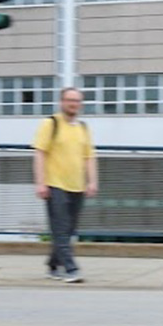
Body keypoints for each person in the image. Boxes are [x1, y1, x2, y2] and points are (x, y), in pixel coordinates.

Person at [32, 87, 98, 283]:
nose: (73, 104)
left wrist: (92, 181)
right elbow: (39, 153)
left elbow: (89, 157)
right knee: (61, 228)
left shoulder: (83, 128)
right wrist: (40, 183)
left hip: (77, 186)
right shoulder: (50, 124)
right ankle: (71, 269)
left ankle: (53, 264)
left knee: (68, 230)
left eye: (77, 101)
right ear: (62, 102)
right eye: (70, 100)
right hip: (55, 184)